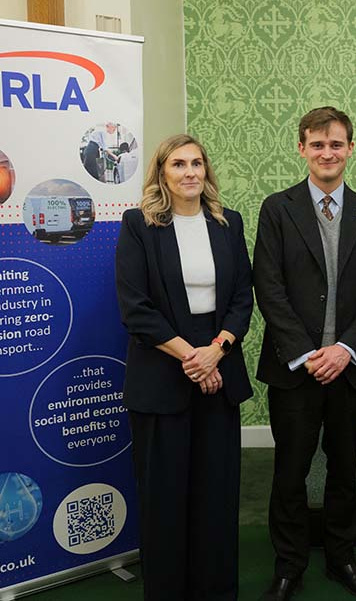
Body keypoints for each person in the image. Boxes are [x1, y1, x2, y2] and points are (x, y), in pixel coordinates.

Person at [254, 106, 356, 601]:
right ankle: (289, 565)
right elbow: (268, 288)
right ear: (301, 149)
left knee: (344, 468)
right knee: (290, 472)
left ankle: (342, 559)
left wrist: (344, 349)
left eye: (336, 144)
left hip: (349, 370)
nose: (327, 153)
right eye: (317, 144)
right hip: (296, 371)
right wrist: (308, 353)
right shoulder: (278, 209)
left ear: (351, 149)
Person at [115, 134, 253, 601]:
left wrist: (217, 349)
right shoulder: (139, 225)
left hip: (220, 372)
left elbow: (242, 298)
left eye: (198, 162)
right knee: (165, 501)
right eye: (179, 164)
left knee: (216, 497)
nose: (190, 171)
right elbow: (136, 309)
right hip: (161, 378)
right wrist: (194, 357)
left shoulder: (228, 223)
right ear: (162, 174)